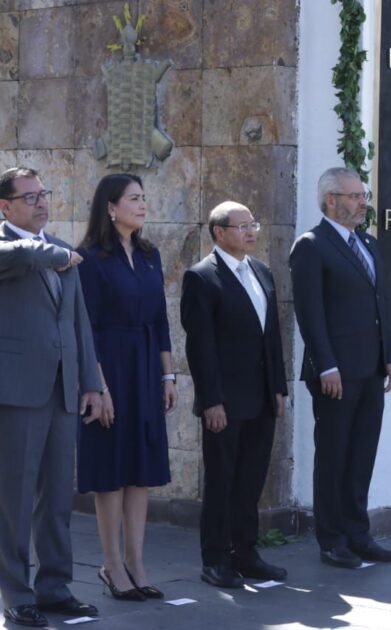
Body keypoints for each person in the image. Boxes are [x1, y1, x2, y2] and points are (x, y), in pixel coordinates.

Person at [0, 167, 102, 627]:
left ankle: (55, 587)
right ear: (5, 206)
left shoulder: (60, 250)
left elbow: (78, 323)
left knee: (57, 498)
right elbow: (20, 254)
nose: (42, 203)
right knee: (15, 500)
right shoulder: (15, 248)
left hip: (63, 389)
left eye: (45, 194)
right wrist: (53, 254)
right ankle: (15, 594)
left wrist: (92, 383)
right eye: (30, 197)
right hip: (18, 392)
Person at [290, 167, 391, 569]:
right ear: (330, 200)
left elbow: (379, 304)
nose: (363, 203)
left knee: (361, 454)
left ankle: (359, 533)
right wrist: (326, 366)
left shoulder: (368, 244)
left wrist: (389, 356)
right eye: (354, 196)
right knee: (334, 456)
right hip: (335, 373)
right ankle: (332, 539)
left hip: (369, 369)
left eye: (364, 195)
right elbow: (310, 314)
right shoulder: (312, 246)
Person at [76, 173, 177, 601]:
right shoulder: (90, 259)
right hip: (109, 367)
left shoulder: (151, 254)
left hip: (145, 364)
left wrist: (168, 375)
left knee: (141, 471)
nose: (143, 204)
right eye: (134, 198)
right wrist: (100, 387)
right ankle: (111, 564)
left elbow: (160, 319)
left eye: (144, 198)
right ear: (111, 207)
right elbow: (88, 328)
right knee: (111, 473)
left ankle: (137, 562)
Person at [181, 201, 289, 588]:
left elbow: (271, 339)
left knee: (250, 480)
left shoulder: (261, 272)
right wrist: (211, 400)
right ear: (219, 232)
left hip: (260, 397)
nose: (251, 232)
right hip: (224, 401)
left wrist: (279, 387)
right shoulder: (202, 278)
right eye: (241, 226)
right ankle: (215, 558)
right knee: (222, 480)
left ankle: (246, 552)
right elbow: (201, 347)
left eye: (253, 224)